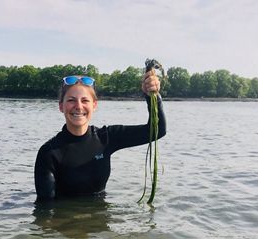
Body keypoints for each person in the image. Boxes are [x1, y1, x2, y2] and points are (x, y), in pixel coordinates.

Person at [34, 70, 166, 200]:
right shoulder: (48, 153)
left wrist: (152, 96)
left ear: (94, 105)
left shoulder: (106, 137)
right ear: (61, 106)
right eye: (71, 100)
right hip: (67, 220)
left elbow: (157, 130)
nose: (78, 106)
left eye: (85, 100)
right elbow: (45, 210)